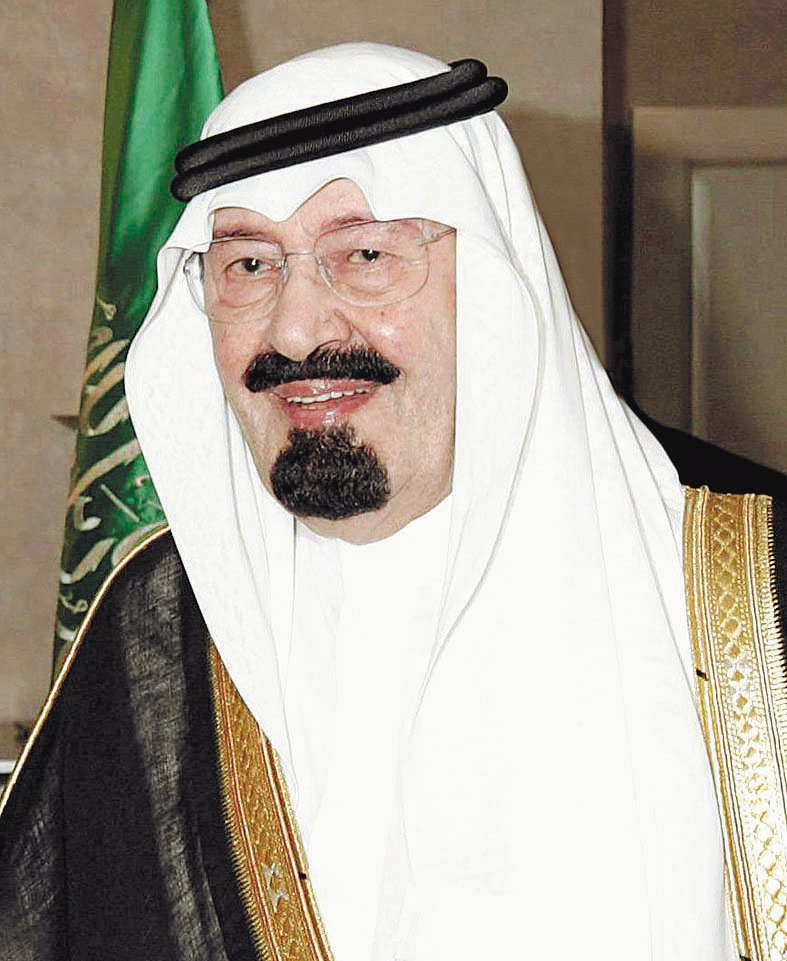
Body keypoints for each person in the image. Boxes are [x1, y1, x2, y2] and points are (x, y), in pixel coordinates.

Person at [1, 43, 785, 961]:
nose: (296, 329)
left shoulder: (753, 599)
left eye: (366, 253)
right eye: (247, 265)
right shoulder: (154, 627)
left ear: (490, 281)